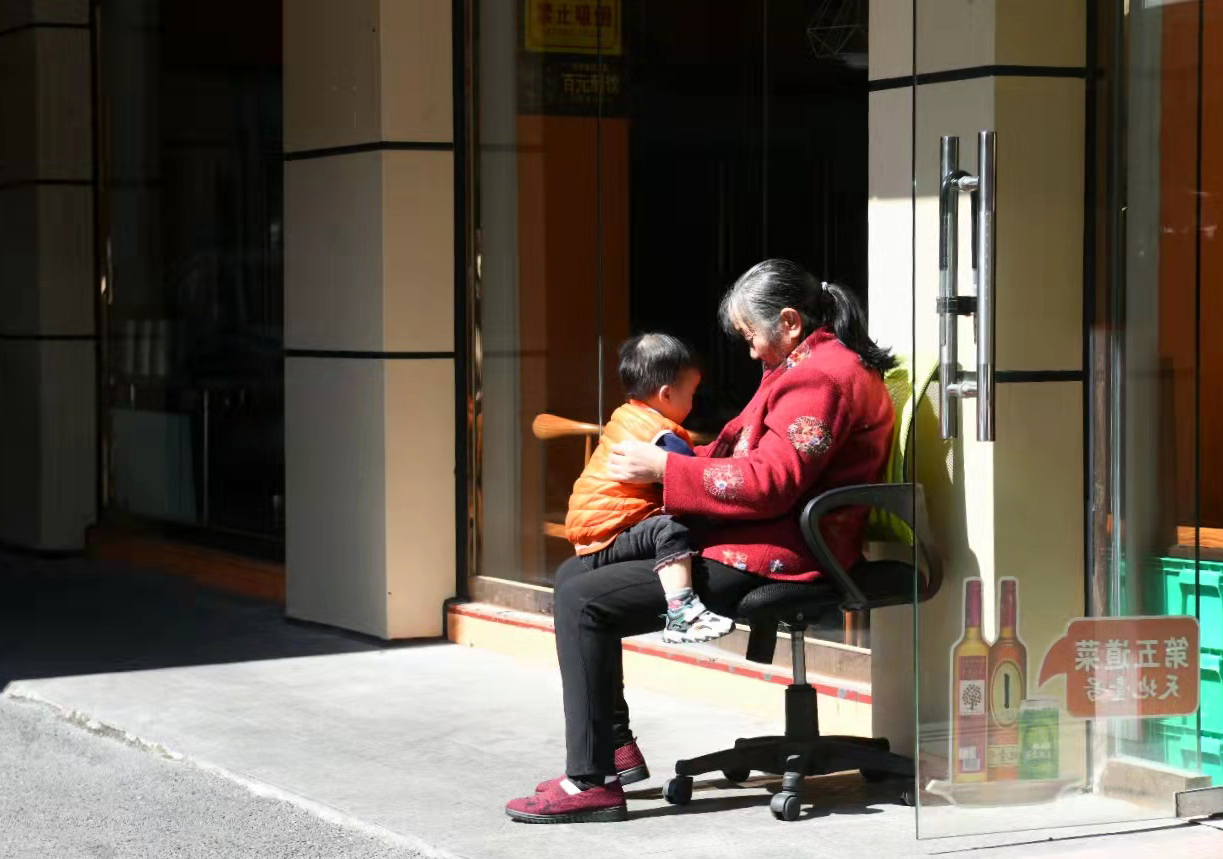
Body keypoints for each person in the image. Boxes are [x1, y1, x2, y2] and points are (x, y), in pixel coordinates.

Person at [505, 259, 897, 824]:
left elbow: (771, 482)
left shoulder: (821, 377)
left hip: (784, 551)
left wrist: (665, 467)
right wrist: (663, 464)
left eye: (750, 335)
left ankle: (591, 780)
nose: (750, 349)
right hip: (764, 533)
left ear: (787, 321)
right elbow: (741, 453)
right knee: (574, 575)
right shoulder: (805, 365)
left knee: (583, 600)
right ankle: (612, 746)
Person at [565, 333, 735, 645]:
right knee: (670, 531)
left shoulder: (628, 416)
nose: (693, 403)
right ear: (667, 394)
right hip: (609, 536)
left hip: (599, 531)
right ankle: (682, 612)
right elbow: (695, 482)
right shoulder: (660, 435)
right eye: (692, 393)